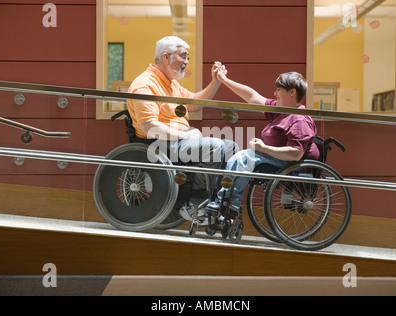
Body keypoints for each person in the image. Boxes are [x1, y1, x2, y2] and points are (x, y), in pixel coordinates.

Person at [126, 36, 238, 219]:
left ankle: (216, 202)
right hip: (159, 144)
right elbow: (149, 126)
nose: (186, 62)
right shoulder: (145, 84)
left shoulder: (170, 83)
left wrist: (216, 81)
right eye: (183, 56)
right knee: (217, 147)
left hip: (177, 140)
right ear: (166, 57)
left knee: (230, 147)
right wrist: (185, 136)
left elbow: (194, 104)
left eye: (188, 57)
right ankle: (204, 201)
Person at [204, 71, 320, 212]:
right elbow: (252, 97)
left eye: (279, 89)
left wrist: (262, 148)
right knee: (236, 155)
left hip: (290, 163)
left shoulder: (299, 119)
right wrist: (224, 80)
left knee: (244, 158)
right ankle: (222, 200)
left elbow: (296, 153)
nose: (275, 93)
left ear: (292, 92)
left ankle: (229, 204)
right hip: (276, 158)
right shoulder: (281, 110)